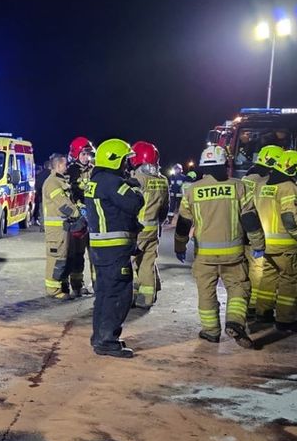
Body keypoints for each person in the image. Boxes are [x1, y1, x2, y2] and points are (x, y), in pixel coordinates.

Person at [174, 146, 264, 347]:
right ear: (226, 164)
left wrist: (180, 246)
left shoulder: (192, 191)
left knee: (206, 293)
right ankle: (234, 321)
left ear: (203, 167)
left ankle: (211, 332)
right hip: (234, 255)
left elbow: (183, 224)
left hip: (204, 256)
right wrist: (259, 244)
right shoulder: (239, 187)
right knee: (239, 288)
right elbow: (250, 219)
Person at [82, 138, 144, 358]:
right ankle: (107, 341)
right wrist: (135, 188)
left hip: (101, 247)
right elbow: (134, 204)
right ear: (115, 161)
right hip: (114, 249)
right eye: (125, 161)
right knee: (119, 294)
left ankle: (99, 336)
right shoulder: (112, 182)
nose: (127, 165)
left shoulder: (96, 180)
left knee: (104, 293)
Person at [252, 150, 297, 332]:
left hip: (267, 244)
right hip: (287, 246)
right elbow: (290, 219)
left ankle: (263, 313)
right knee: (290, 281)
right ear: (292, 168)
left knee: (268, 279)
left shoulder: (262, 185)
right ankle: (285, 320)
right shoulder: (288, 187)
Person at [241, 145, 282, 315]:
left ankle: (249, 303)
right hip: (256, 231)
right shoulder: (262, 182)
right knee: (257, 270)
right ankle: (253, 306)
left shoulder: (245, 179)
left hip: (243, 231)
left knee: (248, 269)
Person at [128, 141, 168, 309]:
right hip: (154, 229)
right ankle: (146, 297)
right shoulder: (163, 180)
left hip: (138, 229)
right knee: (147, 262)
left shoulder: (137, 179)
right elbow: (165, 208)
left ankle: (128, 297)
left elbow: (130, 205)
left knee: (128, 263)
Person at [41, 154, 84, 299]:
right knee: (57, 257)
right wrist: (78, 213)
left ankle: (62, 287)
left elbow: (69, 200)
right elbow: (63, 203)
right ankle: (53, 290)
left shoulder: (60, 181)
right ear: (59, 165)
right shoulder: (52, 182)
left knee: (66, 257)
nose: (67, 167)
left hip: (64, 227)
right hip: (56, 229)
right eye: (65, 164)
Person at [67, 138, 95, 296]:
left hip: (94, 218)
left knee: (95, 254)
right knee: (77, 254)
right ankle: (77, 286)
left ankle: (97, 285)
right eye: (83, 154)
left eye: (88, 154)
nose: (86, 157)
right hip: (78, 219)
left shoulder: (95, 170)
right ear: (76, 154)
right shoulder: (70, 171)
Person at [33, 154, 60, 231]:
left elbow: (37, 185)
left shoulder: (40, 174)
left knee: (42, 212)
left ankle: (42, 227)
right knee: (51, 213)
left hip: (42, 197)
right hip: (52, 197)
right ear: (50, 166)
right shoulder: (52, 174)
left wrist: (38, 194)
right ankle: (51, 227)